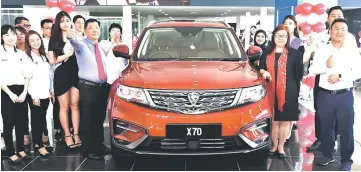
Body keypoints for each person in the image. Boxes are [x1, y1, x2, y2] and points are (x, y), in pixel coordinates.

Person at [309, 18, 361, 171]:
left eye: (342, 29)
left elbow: (358, 71)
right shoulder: (322, 49)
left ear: (347, 32)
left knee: (346, 128)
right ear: (330, 31)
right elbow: (314, 70)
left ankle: (346, 160)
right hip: (325, 95)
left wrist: (340, 76)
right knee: (325, 127)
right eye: (336, 28)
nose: (339, 31)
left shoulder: (352, 50)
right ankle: (327, 154)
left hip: (344, 95)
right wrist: (325, 66)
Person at [67, 18, 110, 160]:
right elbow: (74, 42)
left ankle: (98, 145)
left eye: (97, 27)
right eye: (91, 27)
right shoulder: (82, 45)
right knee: (87, 119)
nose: (94, 30)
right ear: (85, 31)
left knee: (98, 119)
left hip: (102, 87)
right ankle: (88, 149)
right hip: (88, 87)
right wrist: (71, 36)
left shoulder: (100, 48)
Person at [258, 24, 303, 158]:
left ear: (288, 37)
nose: (280, 38)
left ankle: (281, 147)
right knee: (273, 121)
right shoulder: (266, 52)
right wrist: (264, 72)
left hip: (288, 93)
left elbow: (298, 75)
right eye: (278, 35)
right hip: (270, 92)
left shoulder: (295, 54)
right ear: (273, 37)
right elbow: (260, 68)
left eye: (283, 35)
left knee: (284, 121)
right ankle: (273, 146)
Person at [48, 11, 81, 149]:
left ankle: (76, 134)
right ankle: (67, 134)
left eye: (67, 20)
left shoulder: (77, 36)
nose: (65, 23)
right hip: (61, 74)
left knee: (75, 105)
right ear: (58, 23)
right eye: (62, 21)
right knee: (64, 106)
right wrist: (68, 54)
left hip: (76, 73)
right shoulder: (54, 39)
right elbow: (52, 60)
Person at [0, 24, 32, 164]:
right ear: (2, 37)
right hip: (5, 90)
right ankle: (10, 152)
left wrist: (25, 91)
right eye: (7, 35)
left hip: (21, 90)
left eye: (13, 34)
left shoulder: (21, 54)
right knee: (8, 123)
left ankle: (20, 149)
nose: (11, 37)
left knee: (21, 122)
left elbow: (27, 74)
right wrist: (9, 93)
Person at [25, 30, 52, 156]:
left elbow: (48, 75)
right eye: (32, 40)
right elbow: (28, 78)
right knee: (36, 120)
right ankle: (38, 145)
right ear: (28, 43)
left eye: (37, 39)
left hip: (45, 93)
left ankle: (41, 141)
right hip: (35, 94)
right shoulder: (27, 57)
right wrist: (33, 95)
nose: (36, 42)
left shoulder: (43, 56)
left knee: (42, 119)